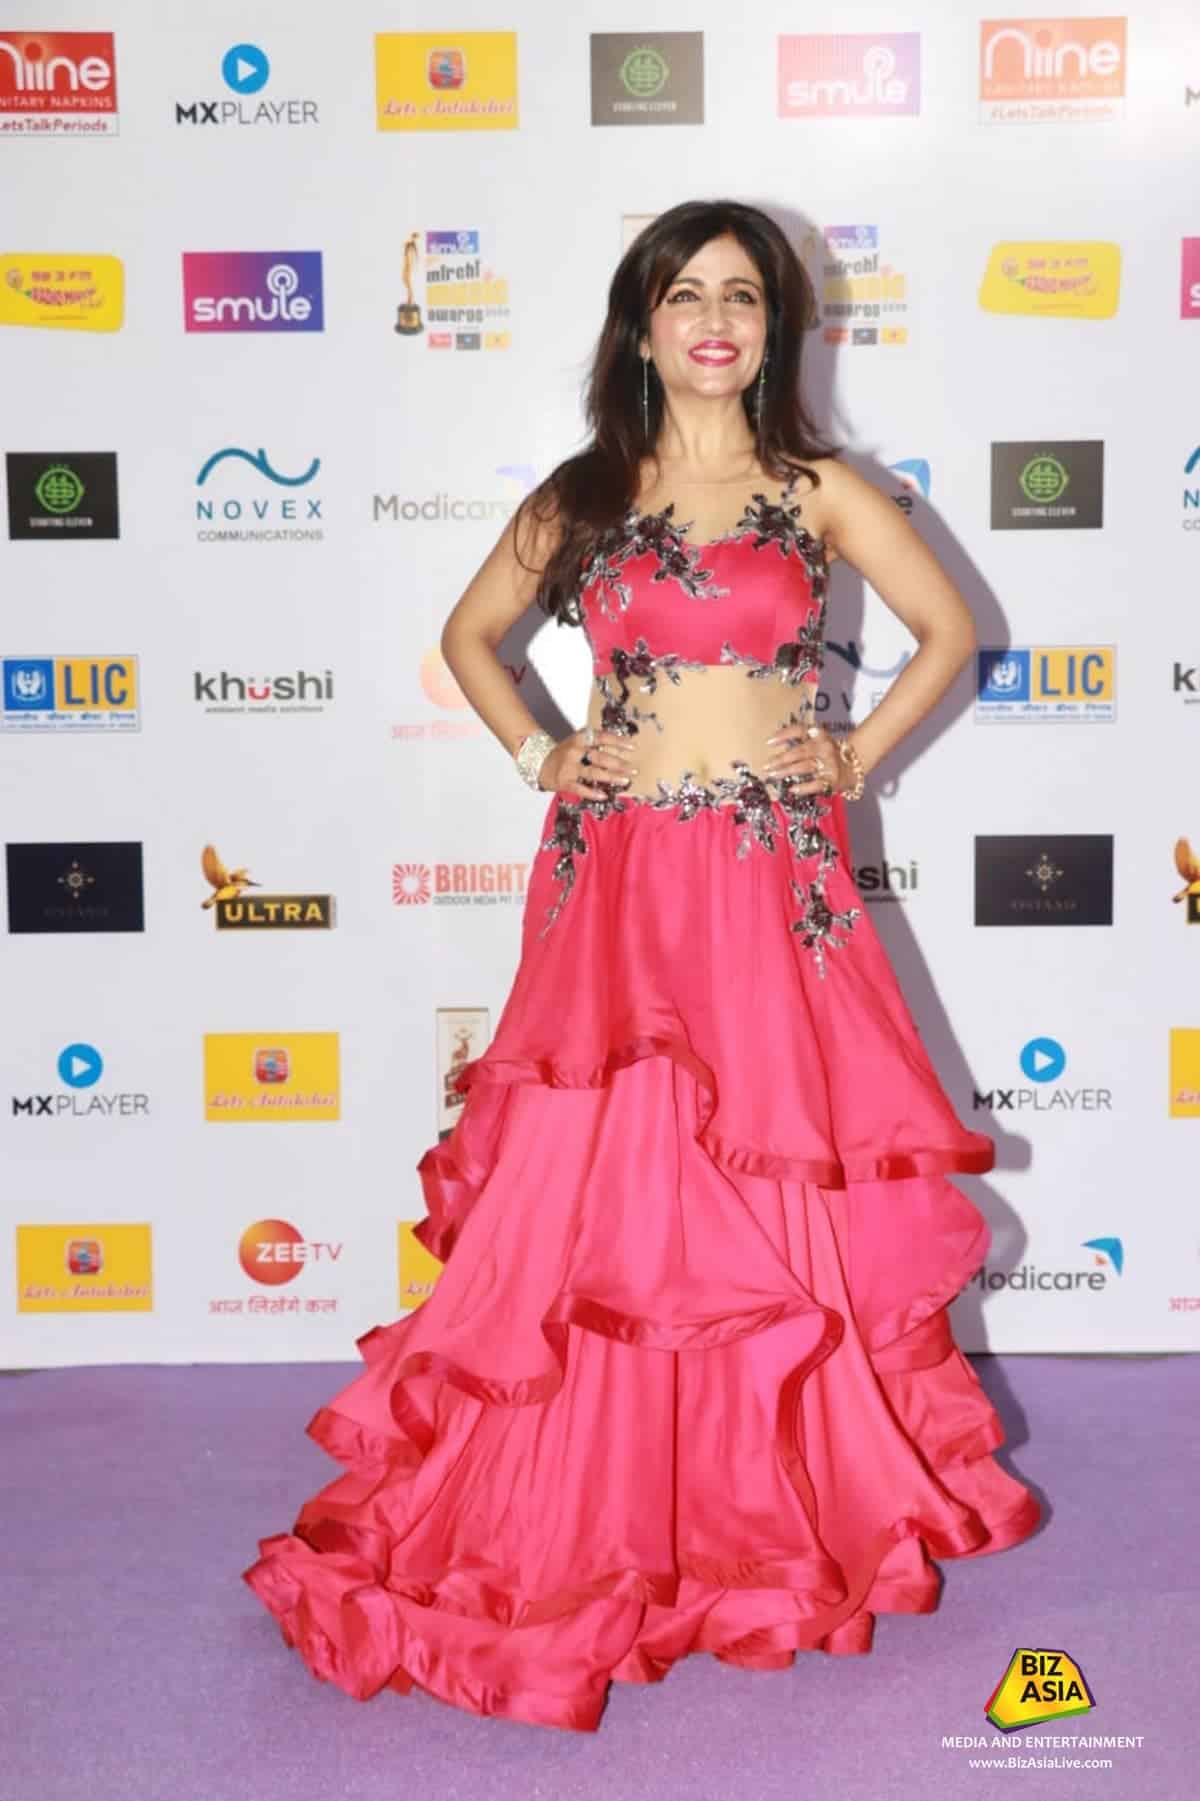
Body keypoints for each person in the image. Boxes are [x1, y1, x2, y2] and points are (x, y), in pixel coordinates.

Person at [243, 199, 1041, 1733]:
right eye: (687, 295)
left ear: (775, 326)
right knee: (605, 1183)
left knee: (765, 1171)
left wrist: (853, 754)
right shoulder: (587, 496)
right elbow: (470, 638)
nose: (716, 321)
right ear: (643, 326)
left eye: (743, 295)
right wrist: (542, 750)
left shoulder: (820, 491)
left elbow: (949, 629)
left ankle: (767, 1503)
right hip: (614, 885)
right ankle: (584, 1496)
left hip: (769, 883)